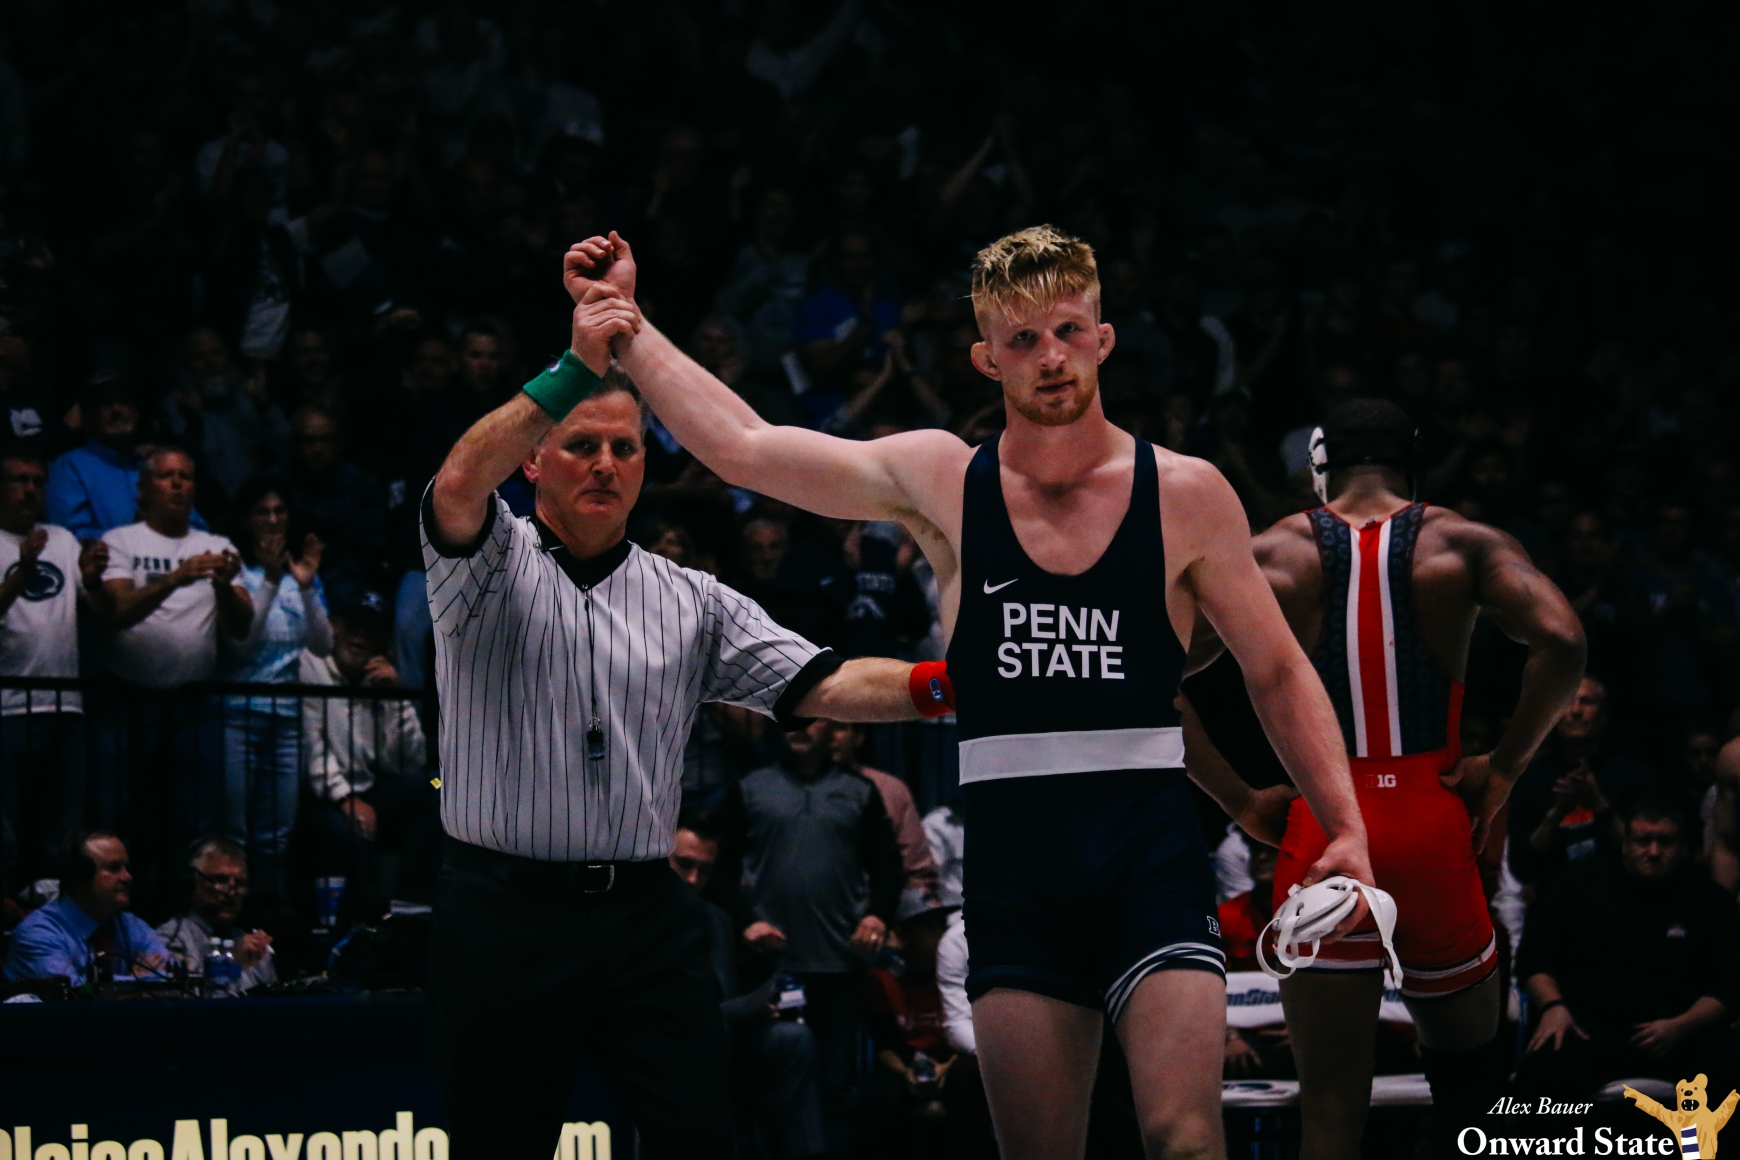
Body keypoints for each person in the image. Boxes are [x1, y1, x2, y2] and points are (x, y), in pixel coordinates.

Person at [570, 224, 1372, 1160]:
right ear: (988, 357)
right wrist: (626, 324)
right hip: (1014, 869)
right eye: (1023, 340)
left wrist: (1345, 824)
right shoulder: (943, 479)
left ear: (1104, 338)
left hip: (1150, 858)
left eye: (1068, 332)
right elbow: (747, 448)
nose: (1051, 357)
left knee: (1189, 1144)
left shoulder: (1186, 492)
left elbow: (1277, 668)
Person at [420, 283, 933, 1159]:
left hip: (645, 916)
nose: (606, 464)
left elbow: (828, 682)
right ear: (534, 461)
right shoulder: (483, 561)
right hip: (503, 913)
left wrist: (955, 684)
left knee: (700, 1137)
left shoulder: (689, 597)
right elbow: (463, 477)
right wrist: (578, 365)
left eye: (625, 448)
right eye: (582, 445)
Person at [1179, 398, 1586, 1158]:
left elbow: (1149, 679)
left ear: (1320, 466)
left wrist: (1239, 799)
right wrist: (1501, 771)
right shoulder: (1464, 543)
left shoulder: (1268, 554)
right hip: (1431, 827)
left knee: (1331, 1114)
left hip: (1324, 835)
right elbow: (1563, 639)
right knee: (1470, 1097)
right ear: (1413, 464)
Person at [722, 718, 904, 1153]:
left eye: (812, 719)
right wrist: (745, 920)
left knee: (836, 1088)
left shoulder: (859, 791)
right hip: (767, 969)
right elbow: (721, 871)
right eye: (791, 718)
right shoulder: (749, 788)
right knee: (765, 1086)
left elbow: (887, 866)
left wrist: (877, 916)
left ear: (832, 729)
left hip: (838, 965)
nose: (800, 728)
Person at [1515, 793, 1740, 1099]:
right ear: (1625, 843)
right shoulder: (1576, 887)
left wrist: (1679, 1027)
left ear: (1683, 846)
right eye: (1643, 841)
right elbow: (1533, 959)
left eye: (1666, 842)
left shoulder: (1711, 901)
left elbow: (1729, 985)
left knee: (1729, 1061)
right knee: (1544, 1067)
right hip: (1589, 1030)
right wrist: (1553, 1008)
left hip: (1684, 1033)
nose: (1654, 851)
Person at [89, 448, 253, 856]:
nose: (178, 484)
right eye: (166, 476)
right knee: (119, 808)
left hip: (193, 704)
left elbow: (241, 625)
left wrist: (222, 588)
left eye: (186, 476)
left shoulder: (216, 545)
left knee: (195, 816)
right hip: (125, 698)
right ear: (142, 488)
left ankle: (187, 891)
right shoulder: (120, 540)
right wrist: (176, 577)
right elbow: (119, 612)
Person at [669, 809, 825, 1160]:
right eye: (684, 865)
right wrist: (743, 1009)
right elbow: (668, 1008)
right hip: (668, 1043)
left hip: (722, 1034)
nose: (693, 879)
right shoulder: (637, 922)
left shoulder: (718, 919)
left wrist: (765, 971)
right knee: (715, 1036)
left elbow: (727, 991)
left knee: (793, 1039)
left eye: (704, 870)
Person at [0, 448, 103, 895]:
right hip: (7, 709)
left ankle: (54, 917)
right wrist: (20, 574)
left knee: (62, 835)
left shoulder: (61, 539)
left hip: (65, 706)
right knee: (5, 832)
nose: (30, 490)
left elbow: (98, 608)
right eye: (18, 480)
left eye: (38, 482)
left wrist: (93, 578)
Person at [221, 475, 330, 894]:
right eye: (262, 512)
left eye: (279, 511)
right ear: (246, 520)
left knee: (278, 831)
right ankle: (232, 909)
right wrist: (268, 579)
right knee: (235, 829)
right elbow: (242, 645)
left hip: (287, 719)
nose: (272, 520)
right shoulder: (237, 573)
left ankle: (269, 910)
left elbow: (323, 646)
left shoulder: (301, 576)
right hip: (237, 714)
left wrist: (306, 586)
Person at [299, 592, 438, 908]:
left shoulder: (381, 679)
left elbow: (409, 761)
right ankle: (361, 915)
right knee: (349, 834)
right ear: (336, 627)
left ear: (384, 643)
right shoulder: (312, 667)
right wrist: (346, 799)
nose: (360, 637)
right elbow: (312, 749)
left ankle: (411, 899)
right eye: (354, 627)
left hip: (370, 788)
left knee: (432, 785)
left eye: (370, 631)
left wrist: (397, 699)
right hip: (324, 797)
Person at [867, 896, 995, 1160]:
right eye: (929, 928)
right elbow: (884, 1046)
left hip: (953, 1062)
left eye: (941, 926)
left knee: (968, 1078)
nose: (939, 936)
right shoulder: (883, 980)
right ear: (902, 935)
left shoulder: (956, 972)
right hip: (905, 1069)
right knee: (884, 1095)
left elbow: (972, 1031)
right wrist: (906, 1074)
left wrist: (945, 1068)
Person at [47, 377, 210, 542]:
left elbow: (197, 526)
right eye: (105, 404)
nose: (117, 410)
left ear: (136, 413)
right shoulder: (70, 466)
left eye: (124, 402)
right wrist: (136, 536)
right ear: (87, 416)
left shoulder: (153, 464)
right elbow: (72, 536)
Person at [3, 831, 173, 988]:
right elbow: (74, 994)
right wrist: (136, 981)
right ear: (81, 874)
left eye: (126, 867)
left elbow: (174, 975)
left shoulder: (130, 924)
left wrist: (134, 982)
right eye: (114, 868)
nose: (127, 877)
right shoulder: (37, 933)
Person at [829, 719, 942, 908]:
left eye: (839, 728)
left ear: (858, 736)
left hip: (880, 910)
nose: (829, 736)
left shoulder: (890, 790)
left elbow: (918, 874)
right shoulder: (783, 790)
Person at [155, 836, 277, 993]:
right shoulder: (171, 939)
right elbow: (177, 1000)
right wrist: (232, 965)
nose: (231, 892)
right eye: (220, 880)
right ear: (191, 882)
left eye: (240, 883)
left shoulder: (252, 945)